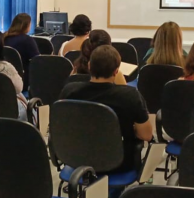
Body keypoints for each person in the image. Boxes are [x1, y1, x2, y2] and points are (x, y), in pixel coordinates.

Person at [59, 45, 152, 176]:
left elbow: (62, 126)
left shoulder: (69, 91)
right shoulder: (130, 96)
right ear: (116, 71)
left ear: (89, 66)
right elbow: (146, 135)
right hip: (118, 164)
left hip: (76, 160)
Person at [3, 13, 40, 89]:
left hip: (4, 76)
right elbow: (37, 60)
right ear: (27, 25)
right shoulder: (27, 40)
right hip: (22, 79)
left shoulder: (3, 37)